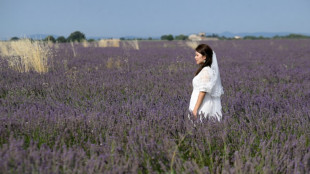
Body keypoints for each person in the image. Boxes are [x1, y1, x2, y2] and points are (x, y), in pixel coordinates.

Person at [188, 44, 224, 122]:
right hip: (198, 103)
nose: (195, 57)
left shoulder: (206, 71)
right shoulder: (205, 70)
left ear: (204, 57)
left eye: (197, 55)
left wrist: (195, 109)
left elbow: (203, 92)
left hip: (202, 105)